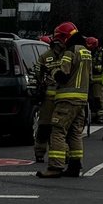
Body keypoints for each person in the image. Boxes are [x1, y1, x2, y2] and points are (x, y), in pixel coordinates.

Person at [37, 21, 92, 178]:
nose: (58, 43)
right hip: (81, 100)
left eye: (59, 39)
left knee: (58, 131)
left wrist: (53, 70)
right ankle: (75, 166)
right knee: (74, 133)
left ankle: (55, 167)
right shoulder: (86, 51)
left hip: (67, 100)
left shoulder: (69, 53)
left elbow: (63, 76)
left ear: (65, 37)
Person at [32, 34, 64, 163]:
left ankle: (62, 154)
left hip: (63, 97)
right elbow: (38, 74)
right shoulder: (45, 57)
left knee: (61, 127)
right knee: (44, 126)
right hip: (48, 98)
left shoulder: (67, 55)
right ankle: (39, 152)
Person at [86, 36, 103, 124]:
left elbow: (100, 67)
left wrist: (92, 67)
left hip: (98, 81)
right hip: (88, 80)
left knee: (98, 99)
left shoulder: (100, 53)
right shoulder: (87, 53)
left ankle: (101, 116)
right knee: (90, 99)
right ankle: (92, 116)